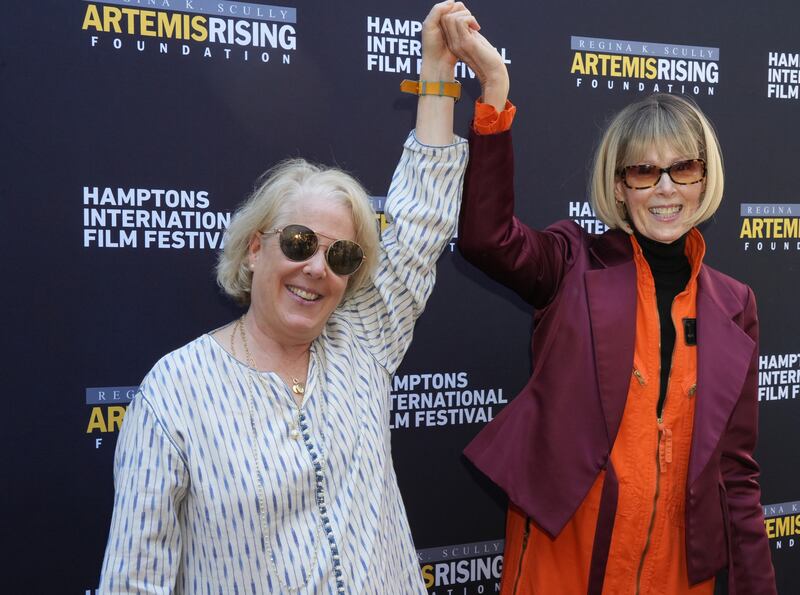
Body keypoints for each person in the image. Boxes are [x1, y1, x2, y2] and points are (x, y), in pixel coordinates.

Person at [98, 3, 468, 592]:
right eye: (298, 243)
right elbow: (136, 581)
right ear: (253, 249)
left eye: (341, 256)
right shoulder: (175, 393)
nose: (317, 268)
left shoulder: (364, 343)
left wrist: (437, 73)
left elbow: (421, 221)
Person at [438, 6, 777, 595]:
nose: (666, 188)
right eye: (644, 172)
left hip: (678, 573)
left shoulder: (735, 303)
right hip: (562, 558)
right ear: (620, 186)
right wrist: (494, 91)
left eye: (683, 168)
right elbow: (486, 239)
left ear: (705, 177)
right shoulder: (572, 263)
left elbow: (737, 474)